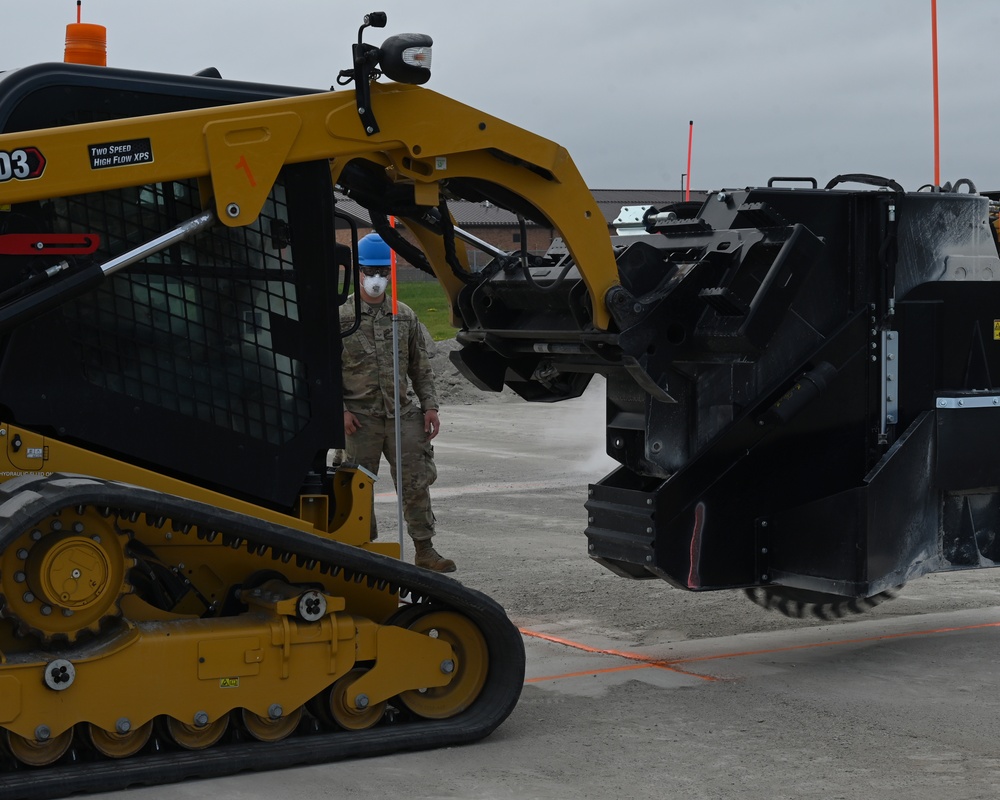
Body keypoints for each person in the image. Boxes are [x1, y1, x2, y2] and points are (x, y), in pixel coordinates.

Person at [340, 231, 456, 573]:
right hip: (359, 418)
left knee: (415, 482)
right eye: (369, 271)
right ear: (356, 271)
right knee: (356, 487)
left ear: (391, 272)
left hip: (402, 415)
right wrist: (340, 410)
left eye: (382, 271)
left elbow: (420, 365)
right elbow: (323, 369)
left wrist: (430, 406)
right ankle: (360, 550)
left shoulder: (403, 316)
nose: (376, 279)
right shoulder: (342, 316)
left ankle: (425, 550)